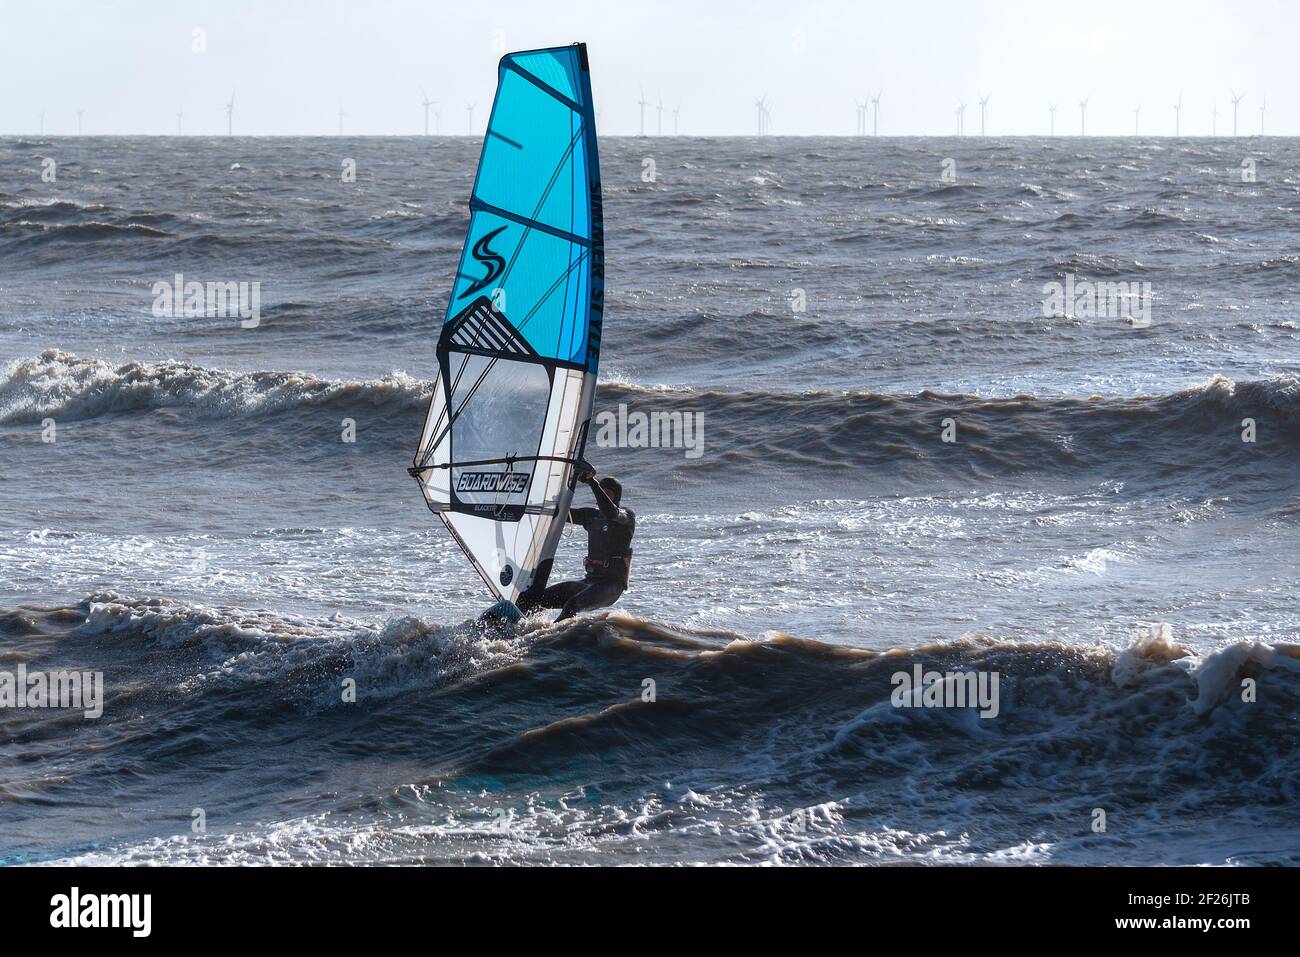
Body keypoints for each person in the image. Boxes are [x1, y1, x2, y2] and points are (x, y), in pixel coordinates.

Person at [517, 460, 634, 621]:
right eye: (602, 492)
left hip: (611, 585)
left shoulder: (625, 517)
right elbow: (558, 512)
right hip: (589, 581)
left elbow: (611, 513)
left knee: (572, 605)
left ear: (617, 498)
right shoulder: (591, 516)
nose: (603, 497)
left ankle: (549, 641)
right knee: (535, 599)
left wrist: (592, 482)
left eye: (608, 494)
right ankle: (516, 626)